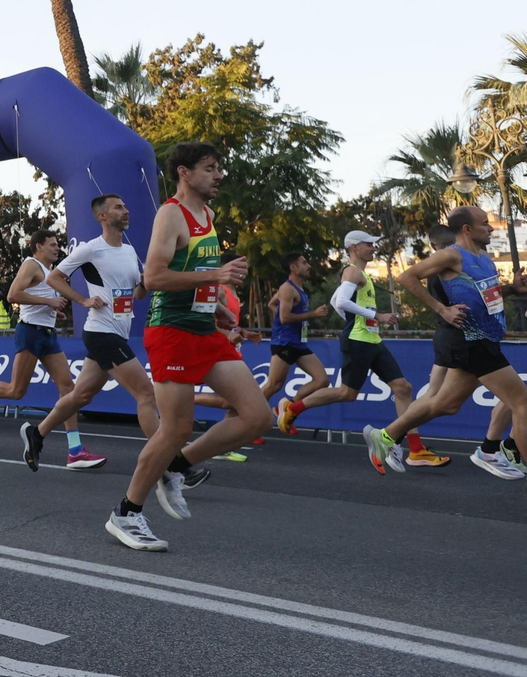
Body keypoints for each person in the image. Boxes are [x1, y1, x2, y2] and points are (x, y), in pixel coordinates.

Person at [106, 142, 268, 553]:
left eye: (219, 167)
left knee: (257, 417)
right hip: (172, 331)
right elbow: (155, 278)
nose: (219, 176)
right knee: (175, 427)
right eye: (210, 168)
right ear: (184, 172)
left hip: (203, 330)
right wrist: (217, 274)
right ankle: (126, 514)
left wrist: (216, 307)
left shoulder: (208, 215)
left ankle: (177, 466)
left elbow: (192, 273)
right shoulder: (170, 214)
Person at [367, 206, 527, 474]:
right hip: (469, 339)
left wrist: (513, 288)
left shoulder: (485, 259)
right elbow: (407, 277)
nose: (490, 228)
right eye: (485, 224)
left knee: (446, 404)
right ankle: (508, 455)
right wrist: (442, 309)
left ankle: (384, 436)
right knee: (522, 403)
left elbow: (487, 296)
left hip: (483, 338)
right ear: (467, 229)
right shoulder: (452, 255)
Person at [0, 193, 149, 471]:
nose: (126, 210)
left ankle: (38, 433)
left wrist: (148, 280)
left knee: (79, 395)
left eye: (126, 205)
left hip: (119, 330)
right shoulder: (91, 249)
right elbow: (55, 278)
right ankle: (171, 463)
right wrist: (83, 300)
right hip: (102, 332)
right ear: (102, 216)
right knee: (146, 394)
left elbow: (138, 294)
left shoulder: (128, 251)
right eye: (119, 207)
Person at [272, 232, 443, 463]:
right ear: (354, 247)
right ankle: (293, 409)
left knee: (403, 387)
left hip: (371, 339)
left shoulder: (360, 273)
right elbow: (341, 301)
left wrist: (354, 319)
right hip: (358, 340)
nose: (374, 248)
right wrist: (376, 315)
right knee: (346, 393)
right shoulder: (352, 271)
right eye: (369, 244)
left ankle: (416, 450)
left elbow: (335, 301)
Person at [0, 234, 87, 453]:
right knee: (16, 391)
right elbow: (13, 295)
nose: (57, 249)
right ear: (38, 246)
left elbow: (36, 299)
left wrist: (52, 311)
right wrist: (49, 301)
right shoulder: (31, 265)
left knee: (68, 388)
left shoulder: (48, 272)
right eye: (52, 245)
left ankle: (75, 450)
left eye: (57, 245)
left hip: (47, 333)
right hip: (31, 333)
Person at [261, 253, 330, 415]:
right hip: (284, 342)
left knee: (322, 380)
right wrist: (313, 314)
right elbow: (284, 318)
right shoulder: (287, 288)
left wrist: (280, 313)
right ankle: (247, 415)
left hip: (298, 343)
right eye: (304, 263)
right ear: (293, 267)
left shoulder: (298, 289)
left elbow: (272, 304)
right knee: (274, 385)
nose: (309, 266)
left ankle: (288, 408)